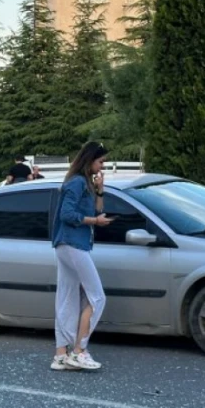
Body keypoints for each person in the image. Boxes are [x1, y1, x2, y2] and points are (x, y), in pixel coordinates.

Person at [51, 142, 114, 371]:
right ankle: (79, 351)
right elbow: (67, 214)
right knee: (97, 297)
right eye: (100, 161)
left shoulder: (83, 183)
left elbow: (96, 211)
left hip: (69, 244)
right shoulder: (76, 182)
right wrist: (94, 222)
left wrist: (100, 190)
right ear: (89, 160)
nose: (102, 166)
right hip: (73, 244)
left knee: (67, 299)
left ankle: (60, 355)